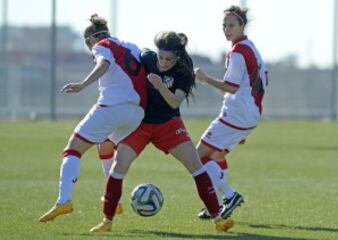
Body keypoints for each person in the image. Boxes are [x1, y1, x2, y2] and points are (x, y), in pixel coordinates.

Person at [90, 31, 234, 233]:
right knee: (119, 166)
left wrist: (159, 86)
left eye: (169, 59)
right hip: (141, 123)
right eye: (161, 58)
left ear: (177, 57)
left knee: (196, 166)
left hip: (169, 125)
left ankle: (218, 219)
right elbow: (125, 54)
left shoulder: (183, 72)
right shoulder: (147, 58)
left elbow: (174, 101)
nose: (164, 62)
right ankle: (107, 221)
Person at [38, 14, 147, 222]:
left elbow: (103, 64)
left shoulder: (101, 45)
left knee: (73, 148)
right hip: (137, 113)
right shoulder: (131, 46)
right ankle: (114, 200)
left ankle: (64, 201)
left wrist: (83, 84)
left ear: (91, 40)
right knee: (105, 144)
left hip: (113, 107)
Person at [194, 5, 268, 220]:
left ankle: (229, 195)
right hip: (249, 113)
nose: (227, 29)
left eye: (232, 25)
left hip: (238, 114)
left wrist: (205, 78)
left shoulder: (238, 52)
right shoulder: (249, 46)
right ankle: (215, 204)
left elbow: (232, 87)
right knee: (217, 156)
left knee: (197, 158)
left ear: (242, 25)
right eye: (224, 25)